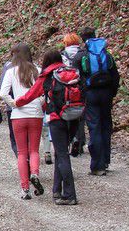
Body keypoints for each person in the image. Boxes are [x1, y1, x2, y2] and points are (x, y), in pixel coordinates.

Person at [16, 49, 83, 205]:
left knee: (62, 154)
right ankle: (56, 191)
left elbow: (30, 95)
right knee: (61, 153)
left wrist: (16, 103)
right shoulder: (71, 71)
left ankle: (69, 194)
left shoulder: (48, 76)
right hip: (74, 115)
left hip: (56, 118)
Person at [0, 43, 45, 200]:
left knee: (21, 152)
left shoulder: (11, 72)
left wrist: (14, 103)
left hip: (18, 115)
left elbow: (3, 93)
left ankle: (25, 188)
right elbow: (45, 91)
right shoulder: (38, 70)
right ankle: (34, 173)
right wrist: (39, 102)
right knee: (34, 150)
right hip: (36, 114)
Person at [73, 27, 120, 175]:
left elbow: (75, 77)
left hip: (91, 94)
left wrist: (81, 94)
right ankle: (105, 160)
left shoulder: (81, 55)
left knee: (94, 127)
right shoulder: (106, 54)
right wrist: (112, 92)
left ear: (82, 39)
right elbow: (116, 75)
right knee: (106, 126)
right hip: (106, 93)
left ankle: (97, 166)